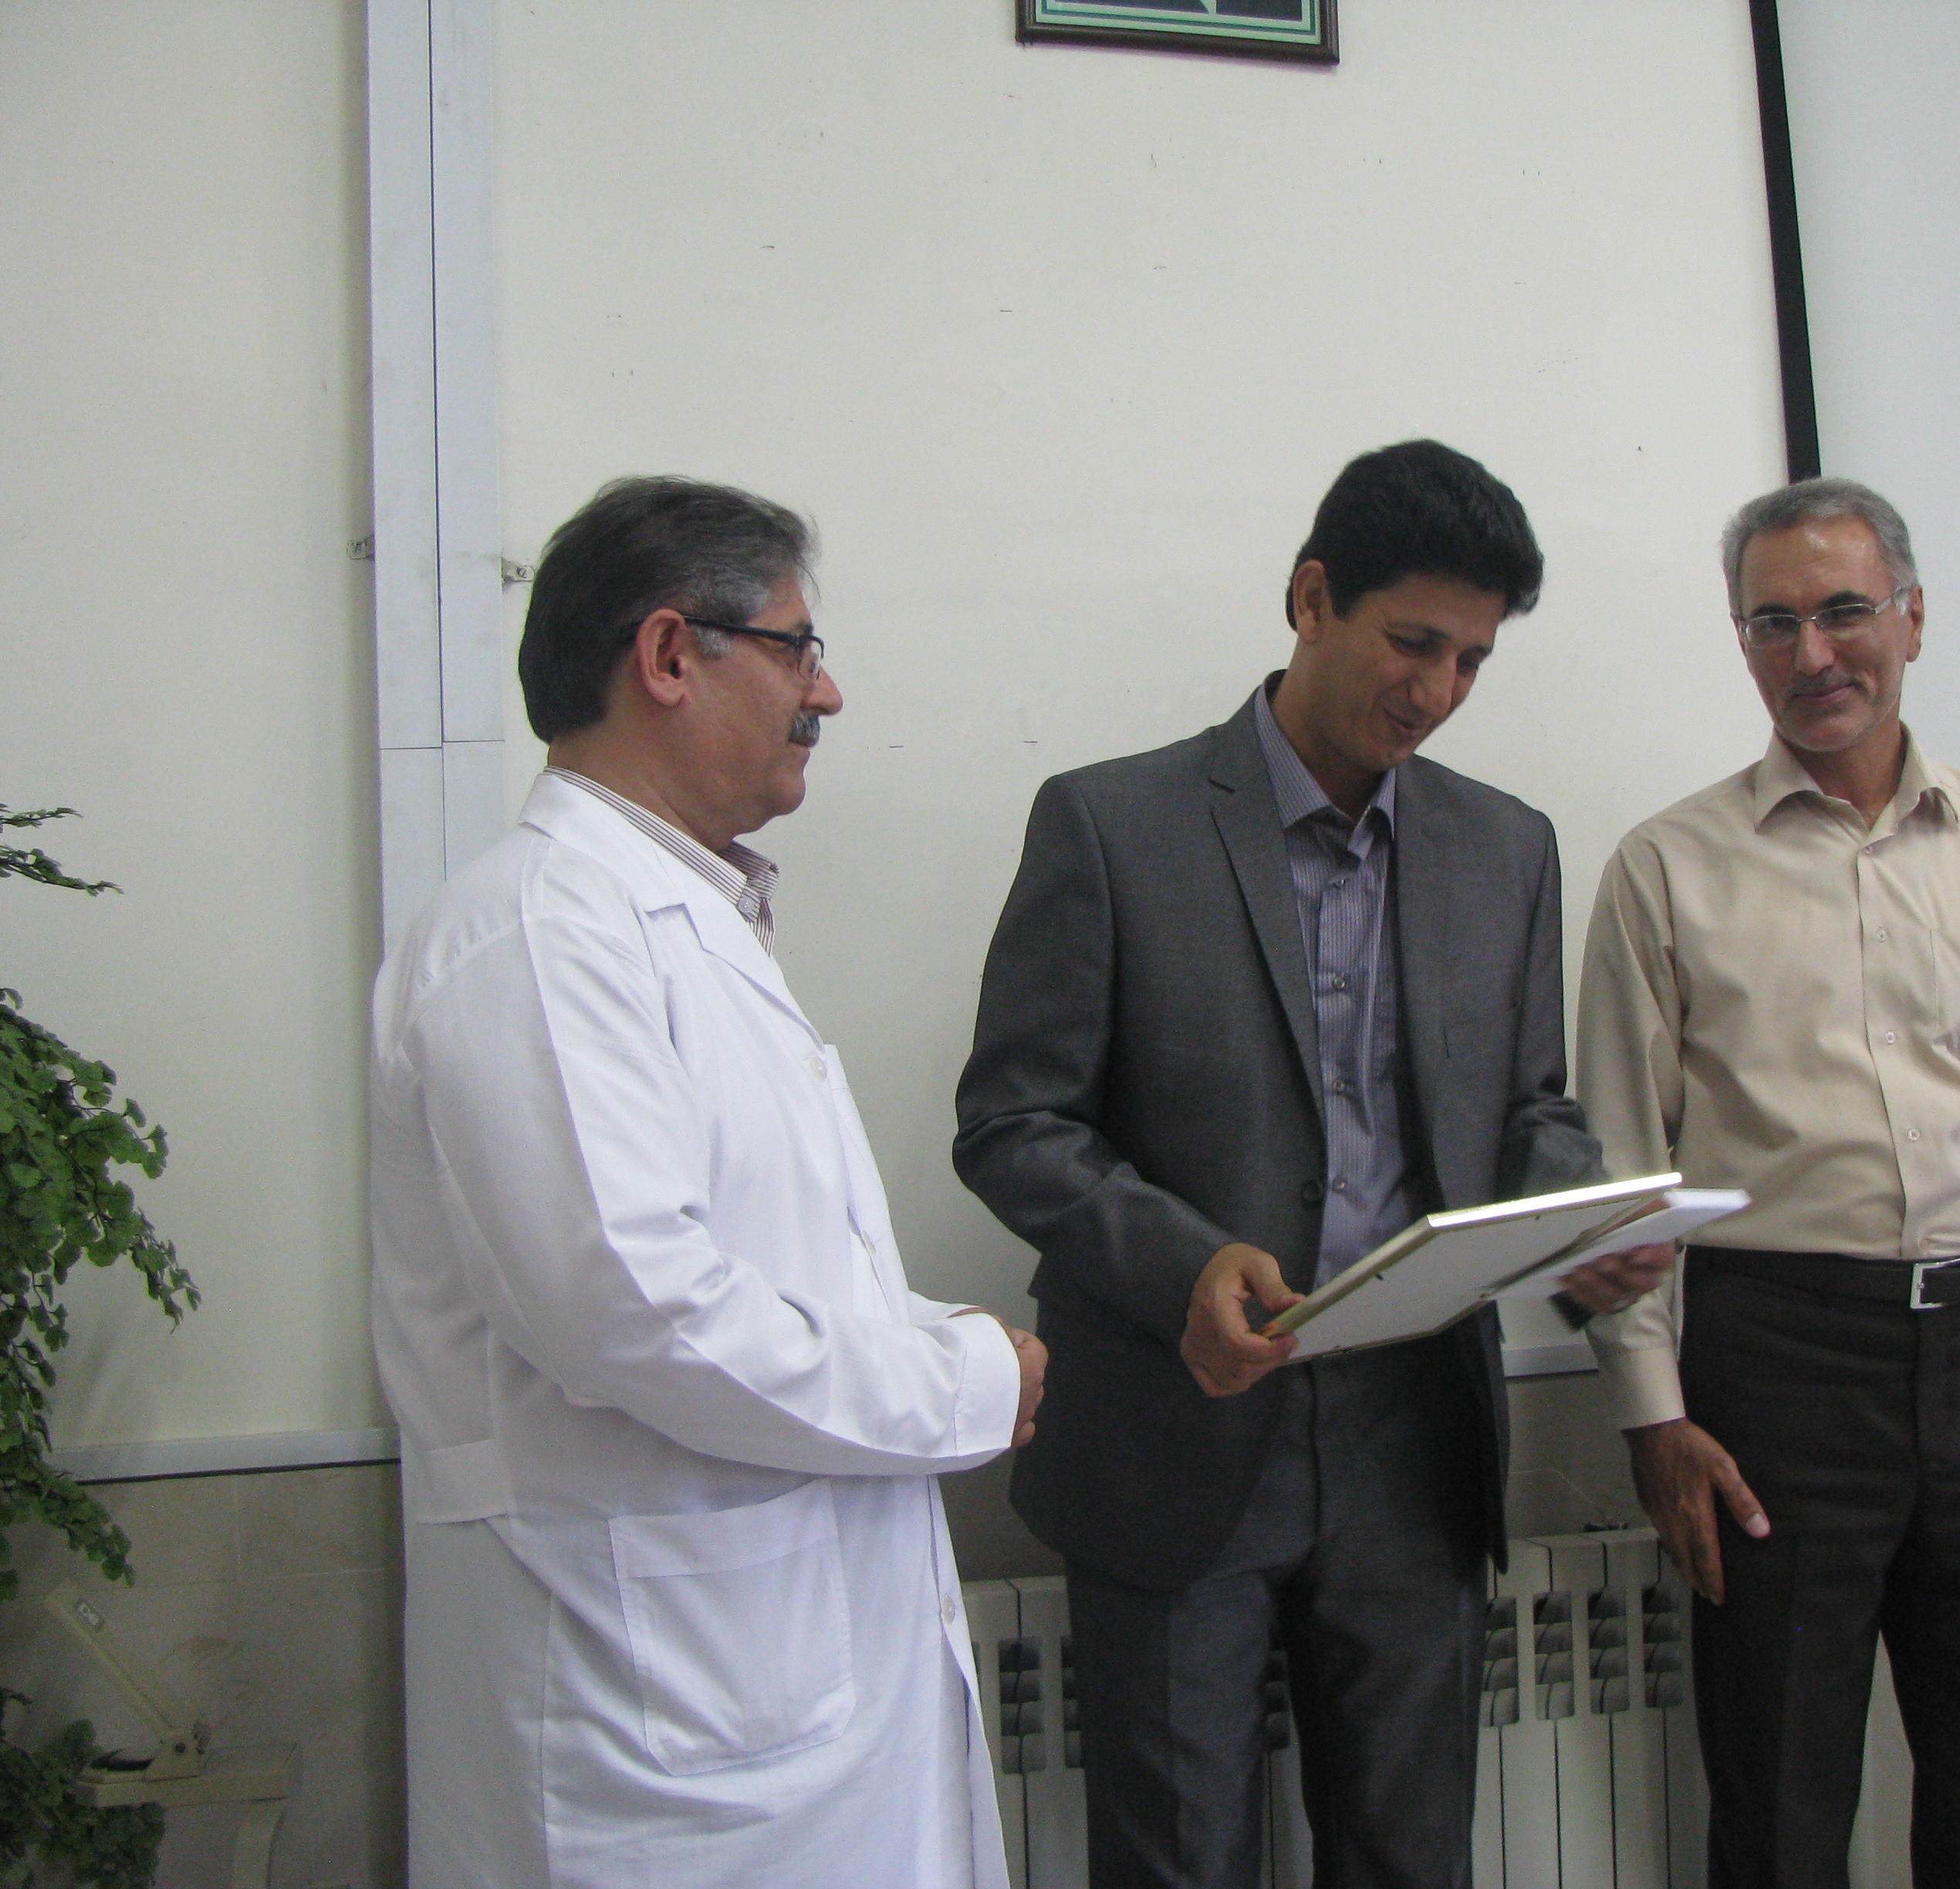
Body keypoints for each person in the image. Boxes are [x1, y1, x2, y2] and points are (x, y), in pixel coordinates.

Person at [954, 440, 1669, 1889]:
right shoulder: (1113, 825)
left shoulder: (1505, 848)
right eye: (1413, 643)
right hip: (1178, 1422)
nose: (1438, 690)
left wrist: (1570, 1224)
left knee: (1413, 1856)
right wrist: (1183, 1265)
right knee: (1178, 1860)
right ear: (1311, 597)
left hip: (1416, 1438)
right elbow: (1014, 1123)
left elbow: (1530, 1107)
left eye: (1473, 661)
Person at [370, 476, 1048, 1889]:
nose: (829, 693)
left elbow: (774, 1274)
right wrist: (958, 1386)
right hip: (658, 1741)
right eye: (799, 649)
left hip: (769, 1707)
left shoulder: (678, 917)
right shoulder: (538, 935)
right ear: (671, 655)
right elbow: (637, 1310)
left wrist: (941, 1337)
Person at [1576, 477, 1960, 1887]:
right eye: (1775, 623)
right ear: (1742, 641)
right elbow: (1620, 1171)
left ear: (1914, 617)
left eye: (1844, 611)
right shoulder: (1664, 869)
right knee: (1778, 1811)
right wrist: (1653, 1414)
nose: (1814, 653)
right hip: (1777, 1373)